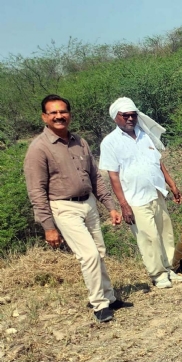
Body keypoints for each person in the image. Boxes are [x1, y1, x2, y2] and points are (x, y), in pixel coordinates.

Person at [24, 94, 131, 323]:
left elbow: (95, 177)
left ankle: (110, 297)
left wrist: (110, 206)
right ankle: (99, 305)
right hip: (64, 207)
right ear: (44, 117)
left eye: (63, 112)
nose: (59, 116)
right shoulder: (38, 148)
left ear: (69, 114)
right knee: (89, 255)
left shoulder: (79, 142)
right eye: (53, 113)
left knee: (100, 253)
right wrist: (48, 226)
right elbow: (36, 190)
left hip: (88, 204)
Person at [99, 97, 182, 289]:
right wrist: (123, 205)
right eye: (125, 115)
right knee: (149, 237)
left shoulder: (144, 135)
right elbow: (113, 176)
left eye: (133, 115)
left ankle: (169, 268)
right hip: (135, 199)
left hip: (156, 193)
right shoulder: (110, 143)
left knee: (165, 233)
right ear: (116, 117)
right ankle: (158, 275)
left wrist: (172, 185)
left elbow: (159, 163)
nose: (130, 119)